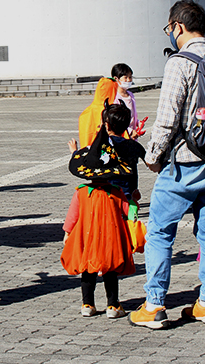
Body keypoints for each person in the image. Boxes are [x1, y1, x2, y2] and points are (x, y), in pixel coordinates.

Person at [128, 0, 205, 329]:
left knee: (160, 232)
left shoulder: (180, 62)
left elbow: (167, 119)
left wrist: (153, 156)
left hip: (184, 163)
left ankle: (155, 304)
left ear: (178, 27)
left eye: (169, 28)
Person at [61, 103, 141, 320]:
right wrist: (134, 211)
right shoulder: (116, 191)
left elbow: (72, 216)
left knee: (87, 269)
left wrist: (67, 232)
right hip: (111, 238)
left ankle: (87, 304)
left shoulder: (82, 191)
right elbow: (129, 212)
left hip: (87, 237)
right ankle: (113, 305)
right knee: (110, 269)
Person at [111, 63, 141, 139]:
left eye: (130, 77)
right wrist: (130, 131)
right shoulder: (115, 98)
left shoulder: (130, 95)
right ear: (116, 79)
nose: (128, 80)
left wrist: (137, 122)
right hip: (122, 137)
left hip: (132, 137)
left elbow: (132, 116)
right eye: (125, 77)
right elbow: (116, 121)